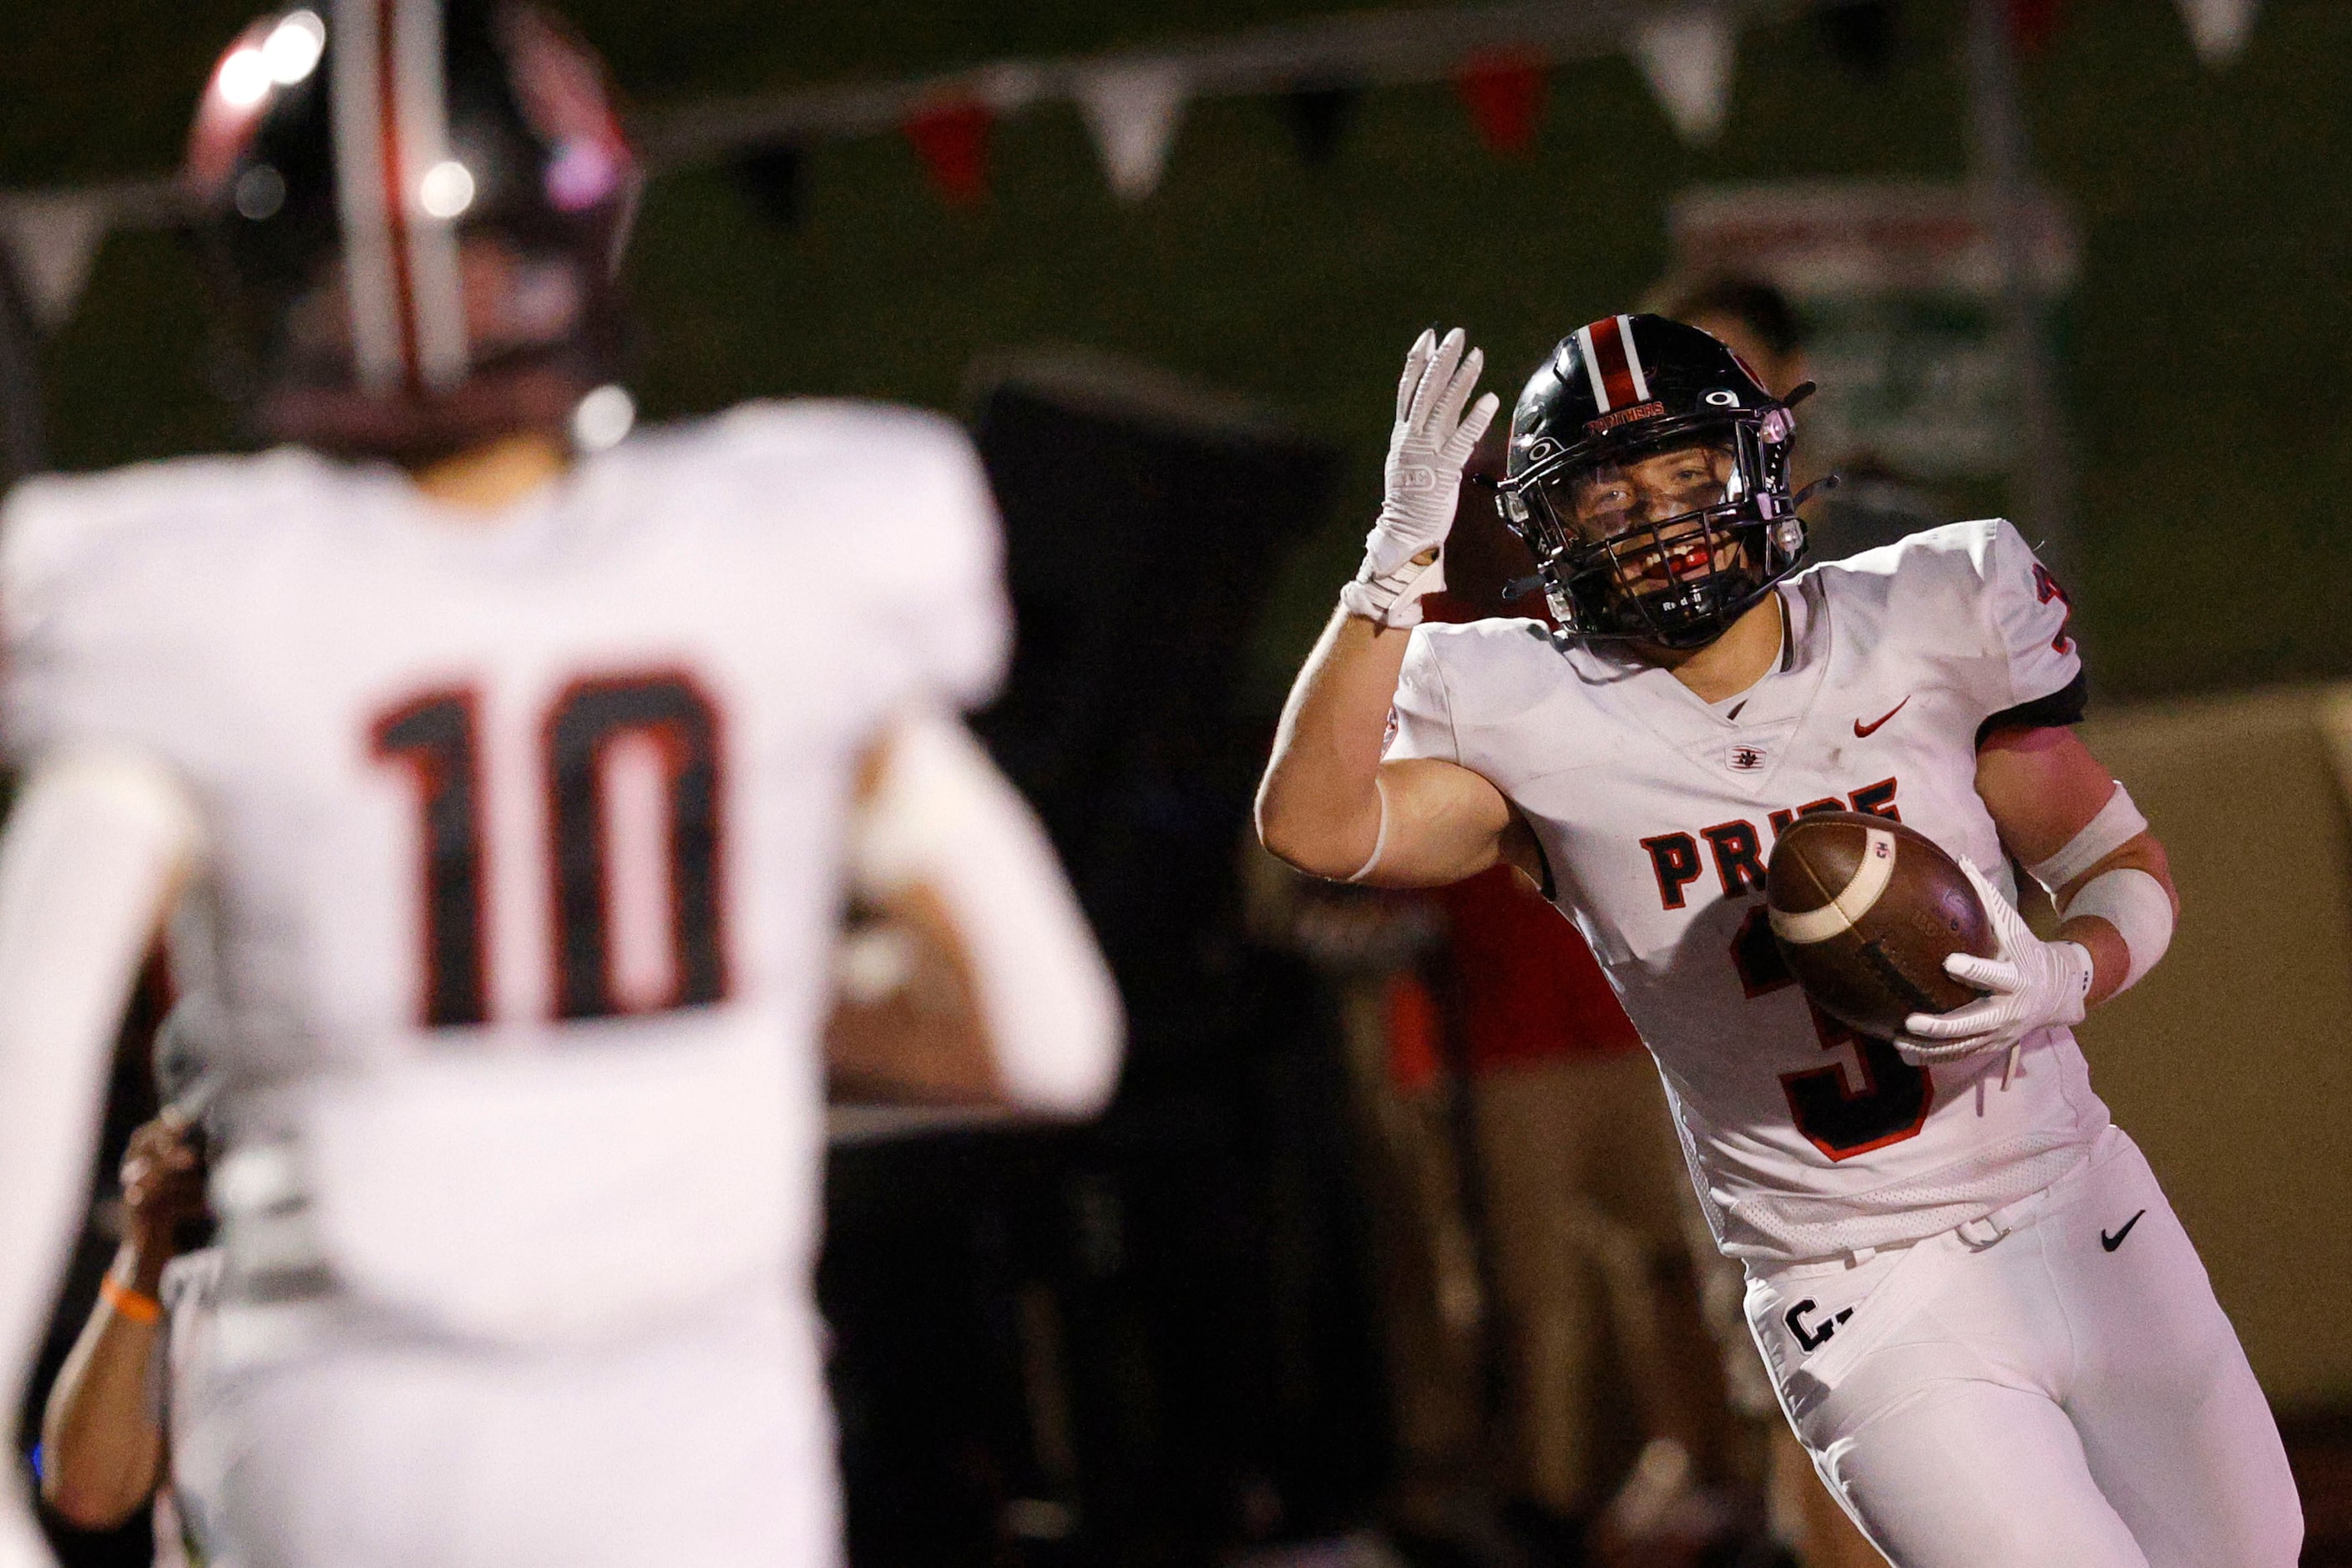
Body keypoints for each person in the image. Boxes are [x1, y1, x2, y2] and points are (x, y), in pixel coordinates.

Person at [0, 5, 1120, 1568]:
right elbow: (1053, 1036)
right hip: (692, 1436)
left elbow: (26, 1049)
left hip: (350, 1431)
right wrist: (720, 998)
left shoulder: (194, 596)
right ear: (578, 232)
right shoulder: (769, 556)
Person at [1257, 320, 2303, 1566]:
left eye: (1688, 476)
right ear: (1550, 529)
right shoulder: (1524, 708)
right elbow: (1313, 823)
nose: (1660, 519)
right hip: (1857, 1285)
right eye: (1611, 491)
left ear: (1759, 468)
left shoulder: (1923, 614)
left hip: (2080, 1201)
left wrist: (2061, 971)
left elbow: (2120, 868)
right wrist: (1388, 568)